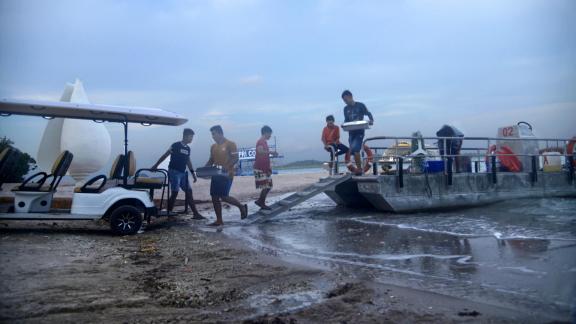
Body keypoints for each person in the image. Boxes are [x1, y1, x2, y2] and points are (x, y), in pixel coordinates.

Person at [151, 128, 205, 219]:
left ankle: (195, 213)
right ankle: (169, 213)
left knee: (189, 191)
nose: (191, 139)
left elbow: (188, 161)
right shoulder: (175, 145)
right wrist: (156, 165)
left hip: (183, 173)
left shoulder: (188, 149)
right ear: (185, 136)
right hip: (174, 171)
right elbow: (165, 155)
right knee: (175, 192)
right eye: (191, 137)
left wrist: (193, 173)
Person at [205, 125, 248, 226]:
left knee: (224, 196)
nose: (213, 136)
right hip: (216, 174)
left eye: (214, 134)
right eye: (212, 134)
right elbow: (211, 160)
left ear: (220, 133)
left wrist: (227, 166)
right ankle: (219, 220)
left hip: (227, 174)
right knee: (214, 197)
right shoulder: (213, 146)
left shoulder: (231, 144)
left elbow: (235, 158)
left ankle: (241, 207)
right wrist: (205, 169)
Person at [342, 90, 374, 174]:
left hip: (359, 131)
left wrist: (371, 120)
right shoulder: (345, 109)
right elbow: (346, 120)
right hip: (351, 132)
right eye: (344, 101)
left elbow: (368, 113)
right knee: (353, 150)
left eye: (346, 100)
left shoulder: (360, 105)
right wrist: (344, 125)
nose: (345, 102)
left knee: (356, 149)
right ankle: (358, 166)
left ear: (350, 96)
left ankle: (359, 169)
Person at [254, 125, 278, 210]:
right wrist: (272, 152)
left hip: (264, 167)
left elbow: (265, 156)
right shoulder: (260, 141)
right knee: (266, 186)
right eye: (269, 134)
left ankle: (260, 201)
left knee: (268, 185)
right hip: (260, 168)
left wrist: (269, 168)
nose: (270, 136)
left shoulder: (264, 142)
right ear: (265, 132)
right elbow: (260, 151)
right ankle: (261, 202)